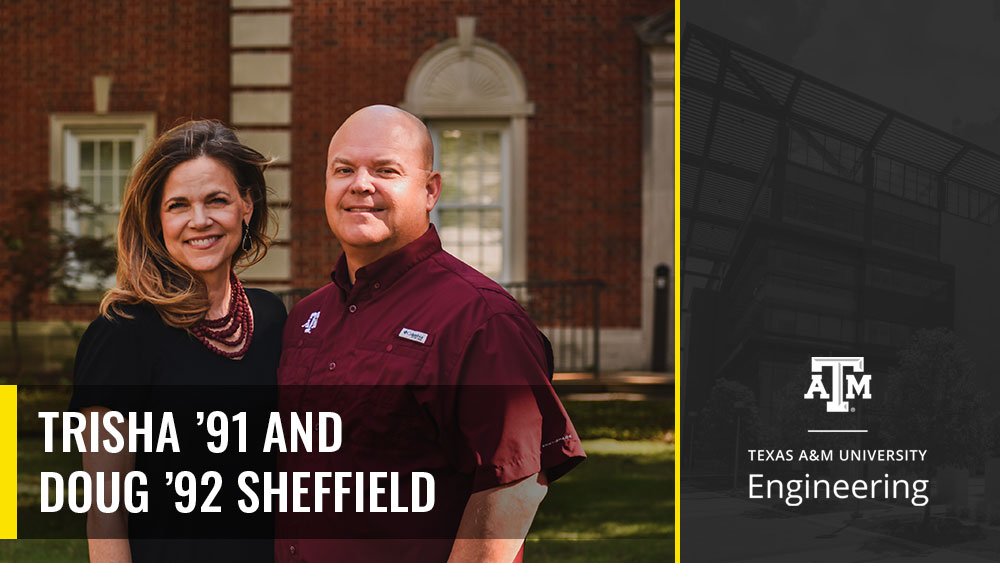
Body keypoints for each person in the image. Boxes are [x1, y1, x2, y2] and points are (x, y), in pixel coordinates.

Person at [276, 105, 585, 562]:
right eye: (344, 169)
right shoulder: (307, 317)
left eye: (385, 170)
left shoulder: (480, 318)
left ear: (430, 190)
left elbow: (513, 487)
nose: (360, 184)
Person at [70, 120, 287, 563]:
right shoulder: (122, 333)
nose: (199, 220)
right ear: (156, 218)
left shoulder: (271, 317)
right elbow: (106, 517)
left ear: (246, 204)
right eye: (178, 205)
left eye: (217, 200)